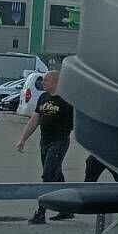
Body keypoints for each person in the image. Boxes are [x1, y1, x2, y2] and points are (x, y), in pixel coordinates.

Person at [17, 71, 75, 223]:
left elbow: (79, 122)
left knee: (48, 175)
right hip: (45, 142)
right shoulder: (43, 97)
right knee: (56, 175)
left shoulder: (68, 100)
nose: (42, 83)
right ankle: (67, 209)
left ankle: (41, 212)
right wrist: (23, 139)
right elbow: (34, 120)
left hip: (60, 141)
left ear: (56, 82)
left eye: (46, 80)